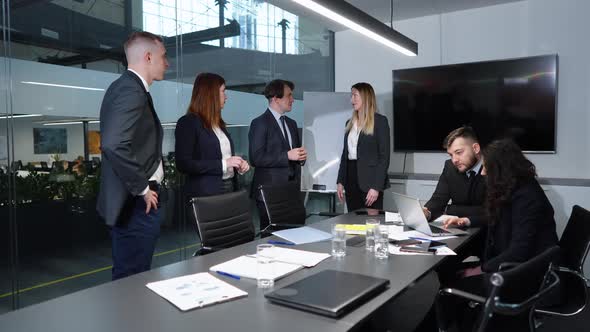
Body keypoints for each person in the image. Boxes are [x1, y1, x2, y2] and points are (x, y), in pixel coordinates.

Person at [434, 139, 559, 331]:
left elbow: (518, 252)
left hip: (524, 275)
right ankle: (467, 320)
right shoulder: (516, 188)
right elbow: (494, 215)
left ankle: (461, 323)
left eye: (486, 168)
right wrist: (467, 220)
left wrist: (481, 269)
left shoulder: (527, 199)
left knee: (448, 288)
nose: (482, 173)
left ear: (502, 169)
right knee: (450, 270)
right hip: (517, 267)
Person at [97, 31, 168, 280]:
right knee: (132, 278)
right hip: (135, 204)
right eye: (163, 56)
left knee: (133, 276)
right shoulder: (130, 90)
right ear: (148, 57)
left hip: (135, 202)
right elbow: (114, 144)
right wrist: (142, 188)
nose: (167, 63)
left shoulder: (128, 88)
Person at [175, 72, 250, 198]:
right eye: (223, 91)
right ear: (211, 94)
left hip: (230, 187)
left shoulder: (218, 124)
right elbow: (184, 164)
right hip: (206, 194)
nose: (226, 97)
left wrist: (238, 165)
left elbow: (222, 157)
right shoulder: (188, 122)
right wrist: (225, 164)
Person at [249, 79, 306, 231]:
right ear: (275, 98)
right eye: (289, 96)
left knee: (296, 234)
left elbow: (294, 155)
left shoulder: (292, 123)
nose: (292, 100)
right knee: (271, 240)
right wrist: (287, 156)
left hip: (291, 192)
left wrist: (300, 158)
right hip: (269, 193)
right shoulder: (259, 123)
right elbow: (256, 158)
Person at [336, 82, 390, 211]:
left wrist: (376, 187)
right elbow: (345, 154)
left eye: (355, 95)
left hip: (370, 182)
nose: (351, 100)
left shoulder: (380, 121)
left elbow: (384, 157)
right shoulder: (349, 123)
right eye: (351, 96)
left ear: (365, 97)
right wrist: (340, 181)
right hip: (350, 180)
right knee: (353, 222)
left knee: (371, 224)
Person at [423, 126, 487, 227]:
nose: (454, 160)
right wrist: (427, 213)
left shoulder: (493, 167)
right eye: (451, 155)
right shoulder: (450, 167)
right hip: (457, 230)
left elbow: (492, 211)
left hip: (487, 233)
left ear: (476, 148)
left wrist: (450, 209)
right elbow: (438, 199)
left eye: (458, 153)